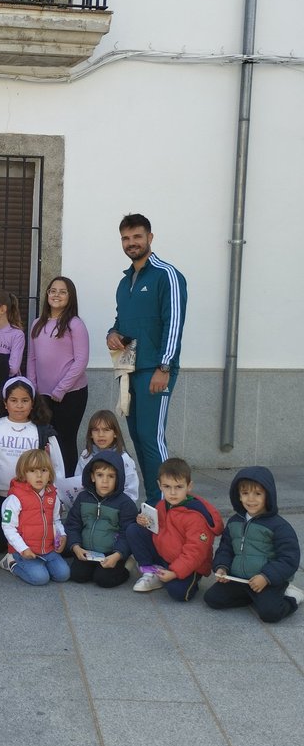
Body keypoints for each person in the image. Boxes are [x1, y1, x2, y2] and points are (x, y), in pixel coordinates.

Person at [106, 214, 187, 504]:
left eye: (137, 237)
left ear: (150, 238)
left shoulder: (168, 275)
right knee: (139, 438)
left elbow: (174, 322)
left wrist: (164, 366)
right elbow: (122, 321)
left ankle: (172, 503)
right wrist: (112, 333)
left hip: (157, 369)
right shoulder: (124, 281)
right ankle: (154, 502)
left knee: (153, 440)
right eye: (126, 239)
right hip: (130, 371)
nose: (132, 243)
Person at [204, 467, 303, 623]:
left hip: (267, 581)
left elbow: (289, 558)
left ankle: (291, 597)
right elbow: (226, 549)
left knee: (270, 614)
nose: (251, 499)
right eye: (245, 493)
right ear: (239, 496)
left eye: (257, 493)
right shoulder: (234, 521)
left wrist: (266, 577)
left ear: (268, 495)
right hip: (239, 579)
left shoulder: (279, 526)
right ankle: (255, 598)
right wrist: (222, 567)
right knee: (212, 599)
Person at [0, 376, 64, 553]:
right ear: (4, 403)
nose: (19, 405)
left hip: (30, 499)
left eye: (24, 401)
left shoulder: (41, 431)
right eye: (14, 400)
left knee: (28, 541)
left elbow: (56, 465)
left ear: (33, 404)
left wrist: (58, 495)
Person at [126, 457, 223, 601]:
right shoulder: (162, 505)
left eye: (178, 487)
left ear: (189, 486)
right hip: (165, 554)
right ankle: (150, 570)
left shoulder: (196, 517)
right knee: (134, 530)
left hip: (190, 565)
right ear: (160, 486)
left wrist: (175, 572)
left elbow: (195, 552)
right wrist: (144, 522)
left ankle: (184, 579)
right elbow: (156, 529)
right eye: (167, 487)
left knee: (178, 593)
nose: (172, 493)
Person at [27, 276, 89, 476]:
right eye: (53, 290)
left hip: (70, 394)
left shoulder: (74, 324)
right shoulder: (37, 323)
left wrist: (61, 389)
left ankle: (68, 486)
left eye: (63, 291)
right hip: (43, 396)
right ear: (47, 294)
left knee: (65, 441)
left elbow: (81, 360)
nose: (57, 295)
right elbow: (32, 359)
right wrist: (33, 388)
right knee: (45, 442)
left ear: (70, 297)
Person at [66, 450, 136, 588]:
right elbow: (72, 524)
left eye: (111, 476)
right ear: (92, 477)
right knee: (77, 575)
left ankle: (126, 567)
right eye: (100, 475)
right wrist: (76, 547)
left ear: (118, 478)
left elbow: (127, 533)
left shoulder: (125, 503)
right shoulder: (83, 498)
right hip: (87, 551)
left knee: (104, 580)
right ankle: (93, 568)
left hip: (112, 552)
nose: (105, 481)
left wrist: (117, 555)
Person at [0, 449, 69, 585]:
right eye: (32, 471)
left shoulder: (52, 495)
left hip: (47, 549)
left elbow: (56, 520)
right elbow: (8, 527)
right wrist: (23, 549)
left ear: (50, 474)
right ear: (23, 474)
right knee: (40, 578)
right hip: (24, 551)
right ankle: (11, 562)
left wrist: (62, 535)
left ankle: (40, 565)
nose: (39, 476)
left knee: (63, 574)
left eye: (43, 470)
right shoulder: (15, 498)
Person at [74, 410, 140, 504]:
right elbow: (78, 485)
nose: (101, 435)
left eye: (106, 430)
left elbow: (131, 491)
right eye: (96, 430)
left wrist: (121, 508)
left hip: (116, 509)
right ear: (90, 434)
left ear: (115, 433)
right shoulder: (86, 456)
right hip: (90, 507)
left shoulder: (124, 458)